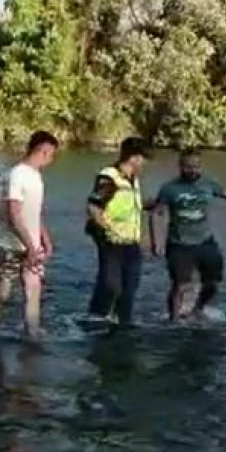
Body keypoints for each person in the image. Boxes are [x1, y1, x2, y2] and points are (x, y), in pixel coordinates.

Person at [0, 131, 59, 336]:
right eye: (52, 154)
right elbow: (14, 213)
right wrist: (30, 245)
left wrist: (44, 238)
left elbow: (33, 212)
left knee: (33, 290)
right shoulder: (17, 175)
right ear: (43, 151)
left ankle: (32, 333)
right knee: (1, 297)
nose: (52, 159)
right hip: (10, 245)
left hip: (31, 246)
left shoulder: (35, 176)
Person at [148, 148, 226, 321]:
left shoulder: (209, 183)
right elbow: (157, 212)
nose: (193, 170)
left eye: (196, 166)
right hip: (179, 244)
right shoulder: (169, 189)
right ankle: (175, 319)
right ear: (180, 166)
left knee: (213, 282)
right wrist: (157, 241)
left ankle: (197, 309)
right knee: (181, 284)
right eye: (188, 167)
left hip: (205, 241)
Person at [85, 136, 149, 327]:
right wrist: (106, 228)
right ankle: (96, 320)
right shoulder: (109, 177)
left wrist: (149, 205)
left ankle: (123, 325)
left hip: (131, 242)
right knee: (111, 286)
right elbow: (93, 206)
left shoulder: (133, 180)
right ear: (133, 158)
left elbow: (128, 205)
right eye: (141, 158)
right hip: (111, 241)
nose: (143, 163)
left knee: (129, 289)